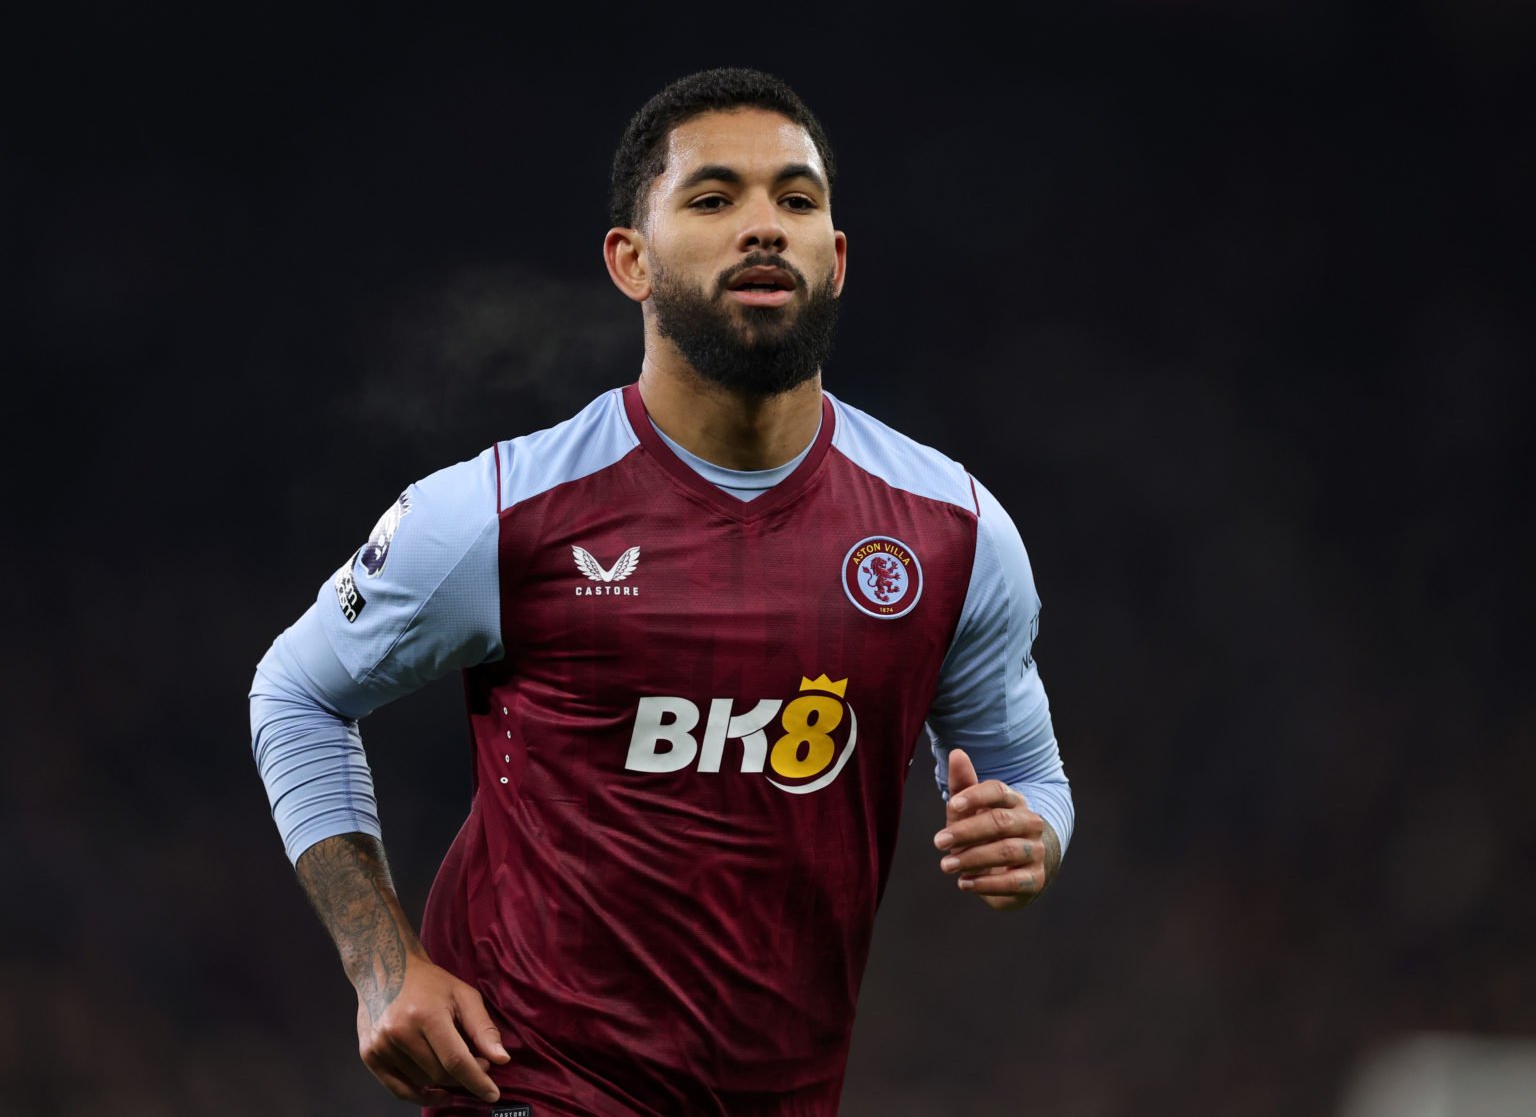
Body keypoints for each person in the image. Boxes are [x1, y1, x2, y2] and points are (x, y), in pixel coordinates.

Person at [250, 67, 1073, 1117]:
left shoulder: (951, 531)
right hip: (533, 1082)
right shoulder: (499, 513)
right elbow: (297, 692)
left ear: (839, 259)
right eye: (714, 198)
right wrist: (381, 966)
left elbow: (1029, 774)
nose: (764, 227)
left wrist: (1032, 837)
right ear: (629, 261)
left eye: (797, 199)